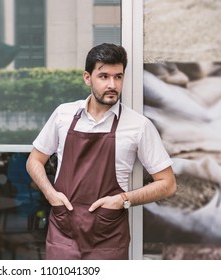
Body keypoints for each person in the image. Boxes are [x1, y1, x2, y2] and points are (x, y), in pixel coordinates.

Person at [26, 43, 177, 260]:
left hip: (109, 238)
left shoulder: (138, 125)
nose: (112, 84)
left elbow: (168, 183)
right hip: (63, 232)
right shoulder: (64, 115)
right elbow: (34, 161)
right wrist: (51, 195)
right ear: (87, 78)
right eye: (104, 76)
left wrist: (123, 199)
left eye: (118, 77)